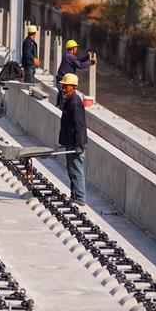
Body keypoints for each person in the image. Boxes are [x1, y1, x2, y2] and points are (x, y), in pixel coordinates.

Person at [58, 73, 88, 205]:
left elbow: (79, 124)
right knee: (71, 170)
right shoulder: (69, 100)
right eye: (63, 85)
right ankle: (74, 196)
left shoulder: (75, 102)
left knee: (76, 170)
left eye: (66, 86)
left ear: (73, 87)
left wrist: (79, 144)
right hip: (70, 141)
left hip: (75, 143)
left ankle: (80, 198)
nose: (63, 88)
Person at [55, 39, 95, 106]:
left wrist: (86, 58)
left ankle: (58, 106)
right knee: (64, 101)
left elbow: (77, 61)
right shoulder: (70, 57)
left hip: (60, 81)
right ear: (73, 48)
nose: (76, 49)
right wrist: (91, 62)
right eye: (76, 47)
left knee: (61, 97)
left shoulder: (67, 56)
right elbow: (80, 65)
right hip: (63, 83)